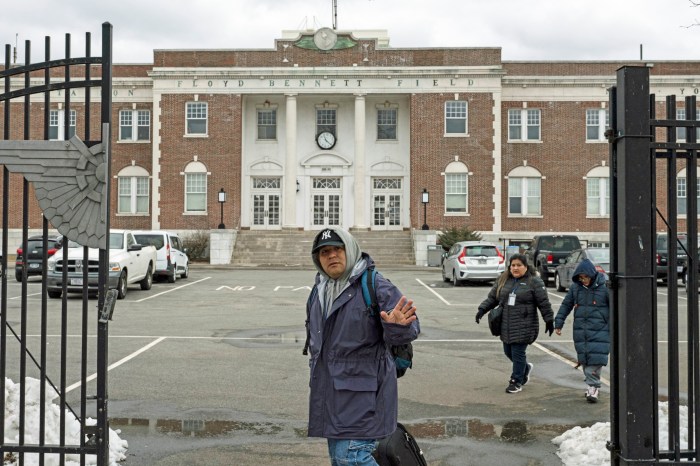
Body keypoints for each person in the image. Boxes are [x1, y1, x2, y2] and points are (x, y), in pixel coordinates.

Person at [305, 227, 420, 466]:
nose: (332, 255)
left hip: (364, 393)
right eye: (324, 252)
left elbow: (410, 327)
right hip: (331, 393)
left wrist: (398, 327)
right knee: (339, 459)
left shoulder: (374, 283)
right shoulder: (319, 290)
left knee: (351, 458)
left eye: (338, 249)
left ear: (351, 250)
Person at [475, 253, 554, 394]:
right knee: (508, 351)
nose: (515, 268)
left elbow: (544, 303)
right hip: (506, 323)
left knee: (518, 353)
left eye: (519, 265)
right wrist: (482, 309)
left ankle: (516, 381)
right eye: (513, 265)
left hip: (525, 323)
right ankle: (525, 369)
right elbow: (493, 298)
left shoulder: (534, 282)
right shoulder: (503, 279)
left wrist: (549, 320)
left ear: (525, 267)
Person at [553, 258, 610, 403]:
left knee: (596, 358)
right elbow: (566, 304)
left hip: (601, 329)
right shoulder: (575, 288)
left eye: (586, 277)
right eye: (581, 278)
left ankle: (593, 387)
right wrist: (558, 322)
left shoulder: (605, 288)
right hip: (581, 330)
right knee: (584, 357)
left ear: (592, 275)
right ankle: (591, 384)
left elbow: (616, 307)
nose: (584, 280)